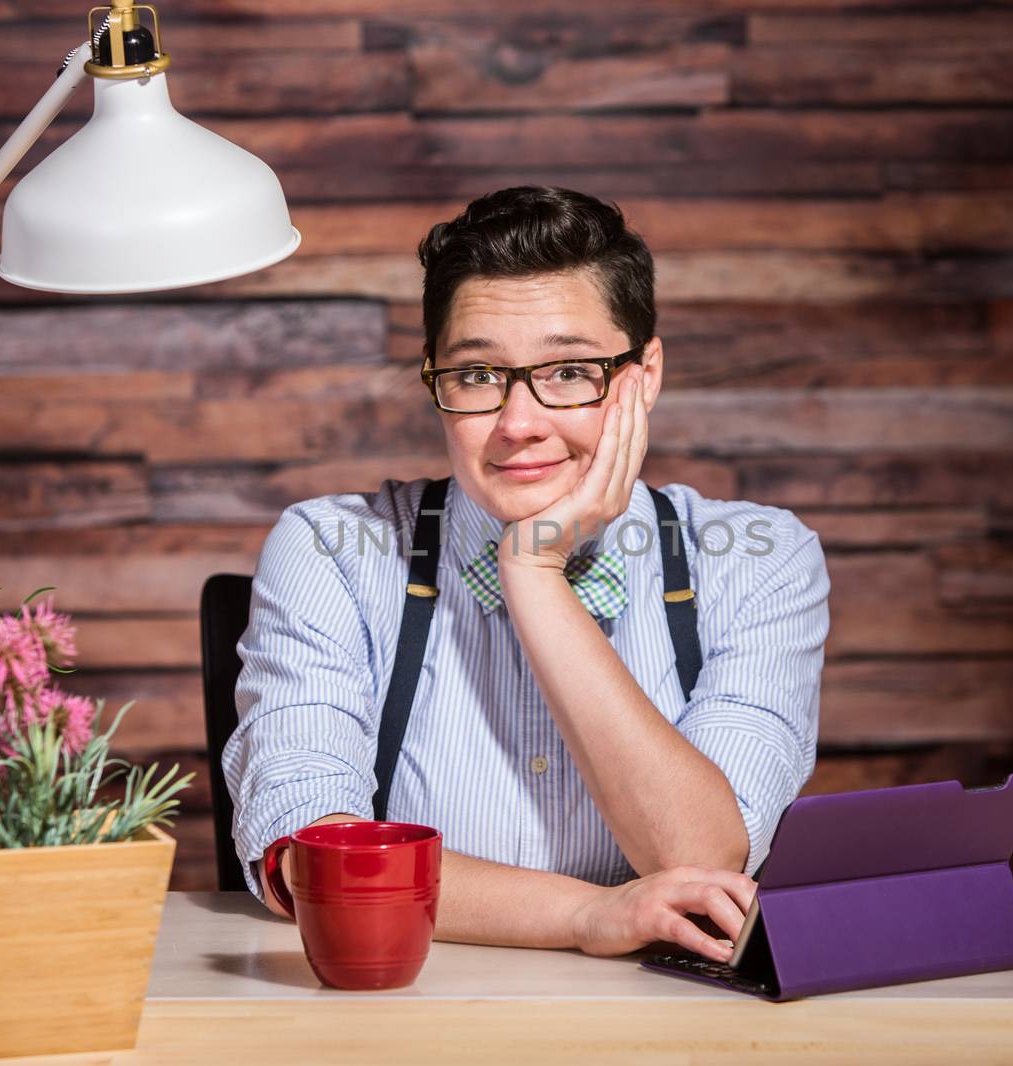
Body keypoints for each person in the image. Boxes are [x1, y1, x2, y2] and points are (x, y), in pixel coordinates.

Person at [223, 186, 830, 964]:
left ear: (643, 377)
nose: (518, 423)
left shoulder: (760, 560)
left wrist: (535, 571)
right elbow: (314, 858)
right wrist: (587, 917)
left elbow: (702, 863)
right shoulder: (334, 549)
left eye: (570, 371)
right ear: (434, 379)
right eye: (476, 376)